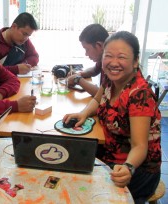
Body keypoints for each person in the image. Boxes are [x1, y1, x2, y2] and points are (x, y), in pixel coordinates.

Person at [63, 31, 161, 203]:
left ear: (135, 60)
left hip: (137, 168)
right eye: (108, 56)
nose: (114, 63)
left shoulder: (140, 95)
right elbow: (98, 98)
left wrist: (128, 168)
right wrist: (83, 113)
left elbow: (139, 146)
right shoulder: (111, 79)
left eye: (122, 57)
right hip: (110, 153)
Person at [67, 24, 109, 96]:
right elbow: (95, 69)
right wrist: (79, 74)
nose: (86, 54)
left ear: (99, 45)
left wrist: (78, 79)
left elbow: (104, 95)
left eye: (87, 49)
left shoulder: (112, 64)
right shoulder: (103, 59)